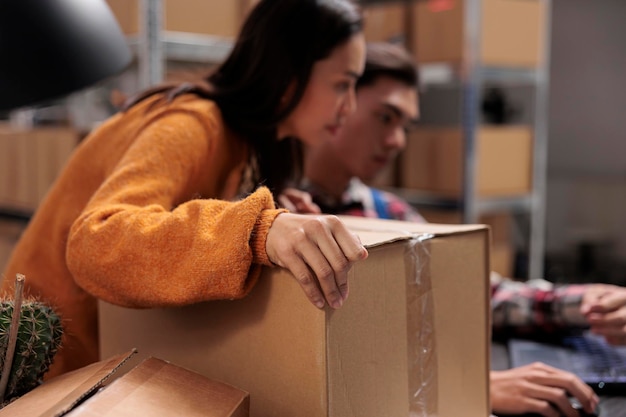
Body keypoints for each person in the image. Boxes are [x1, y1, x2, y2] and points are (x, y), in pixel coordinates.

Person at [0, 0, 370, 378]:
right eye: (343, 84)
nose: (350, 106)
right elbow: (97, 241)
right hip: (36, 372)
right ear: (289, 74)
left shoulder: (239, 145)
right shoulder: (192, 122)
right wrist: (256, 229)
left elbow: (173, 219)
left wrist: (257, 210)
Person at [286, 41, 626, 417]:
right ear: (340, 102)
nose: (398, 141)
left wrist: (591, 303)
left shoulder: (389, 212)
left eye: (405, 126)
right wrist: (466, 387)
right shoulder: (270, 220)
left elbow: (476, 291)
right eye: (385, 117)